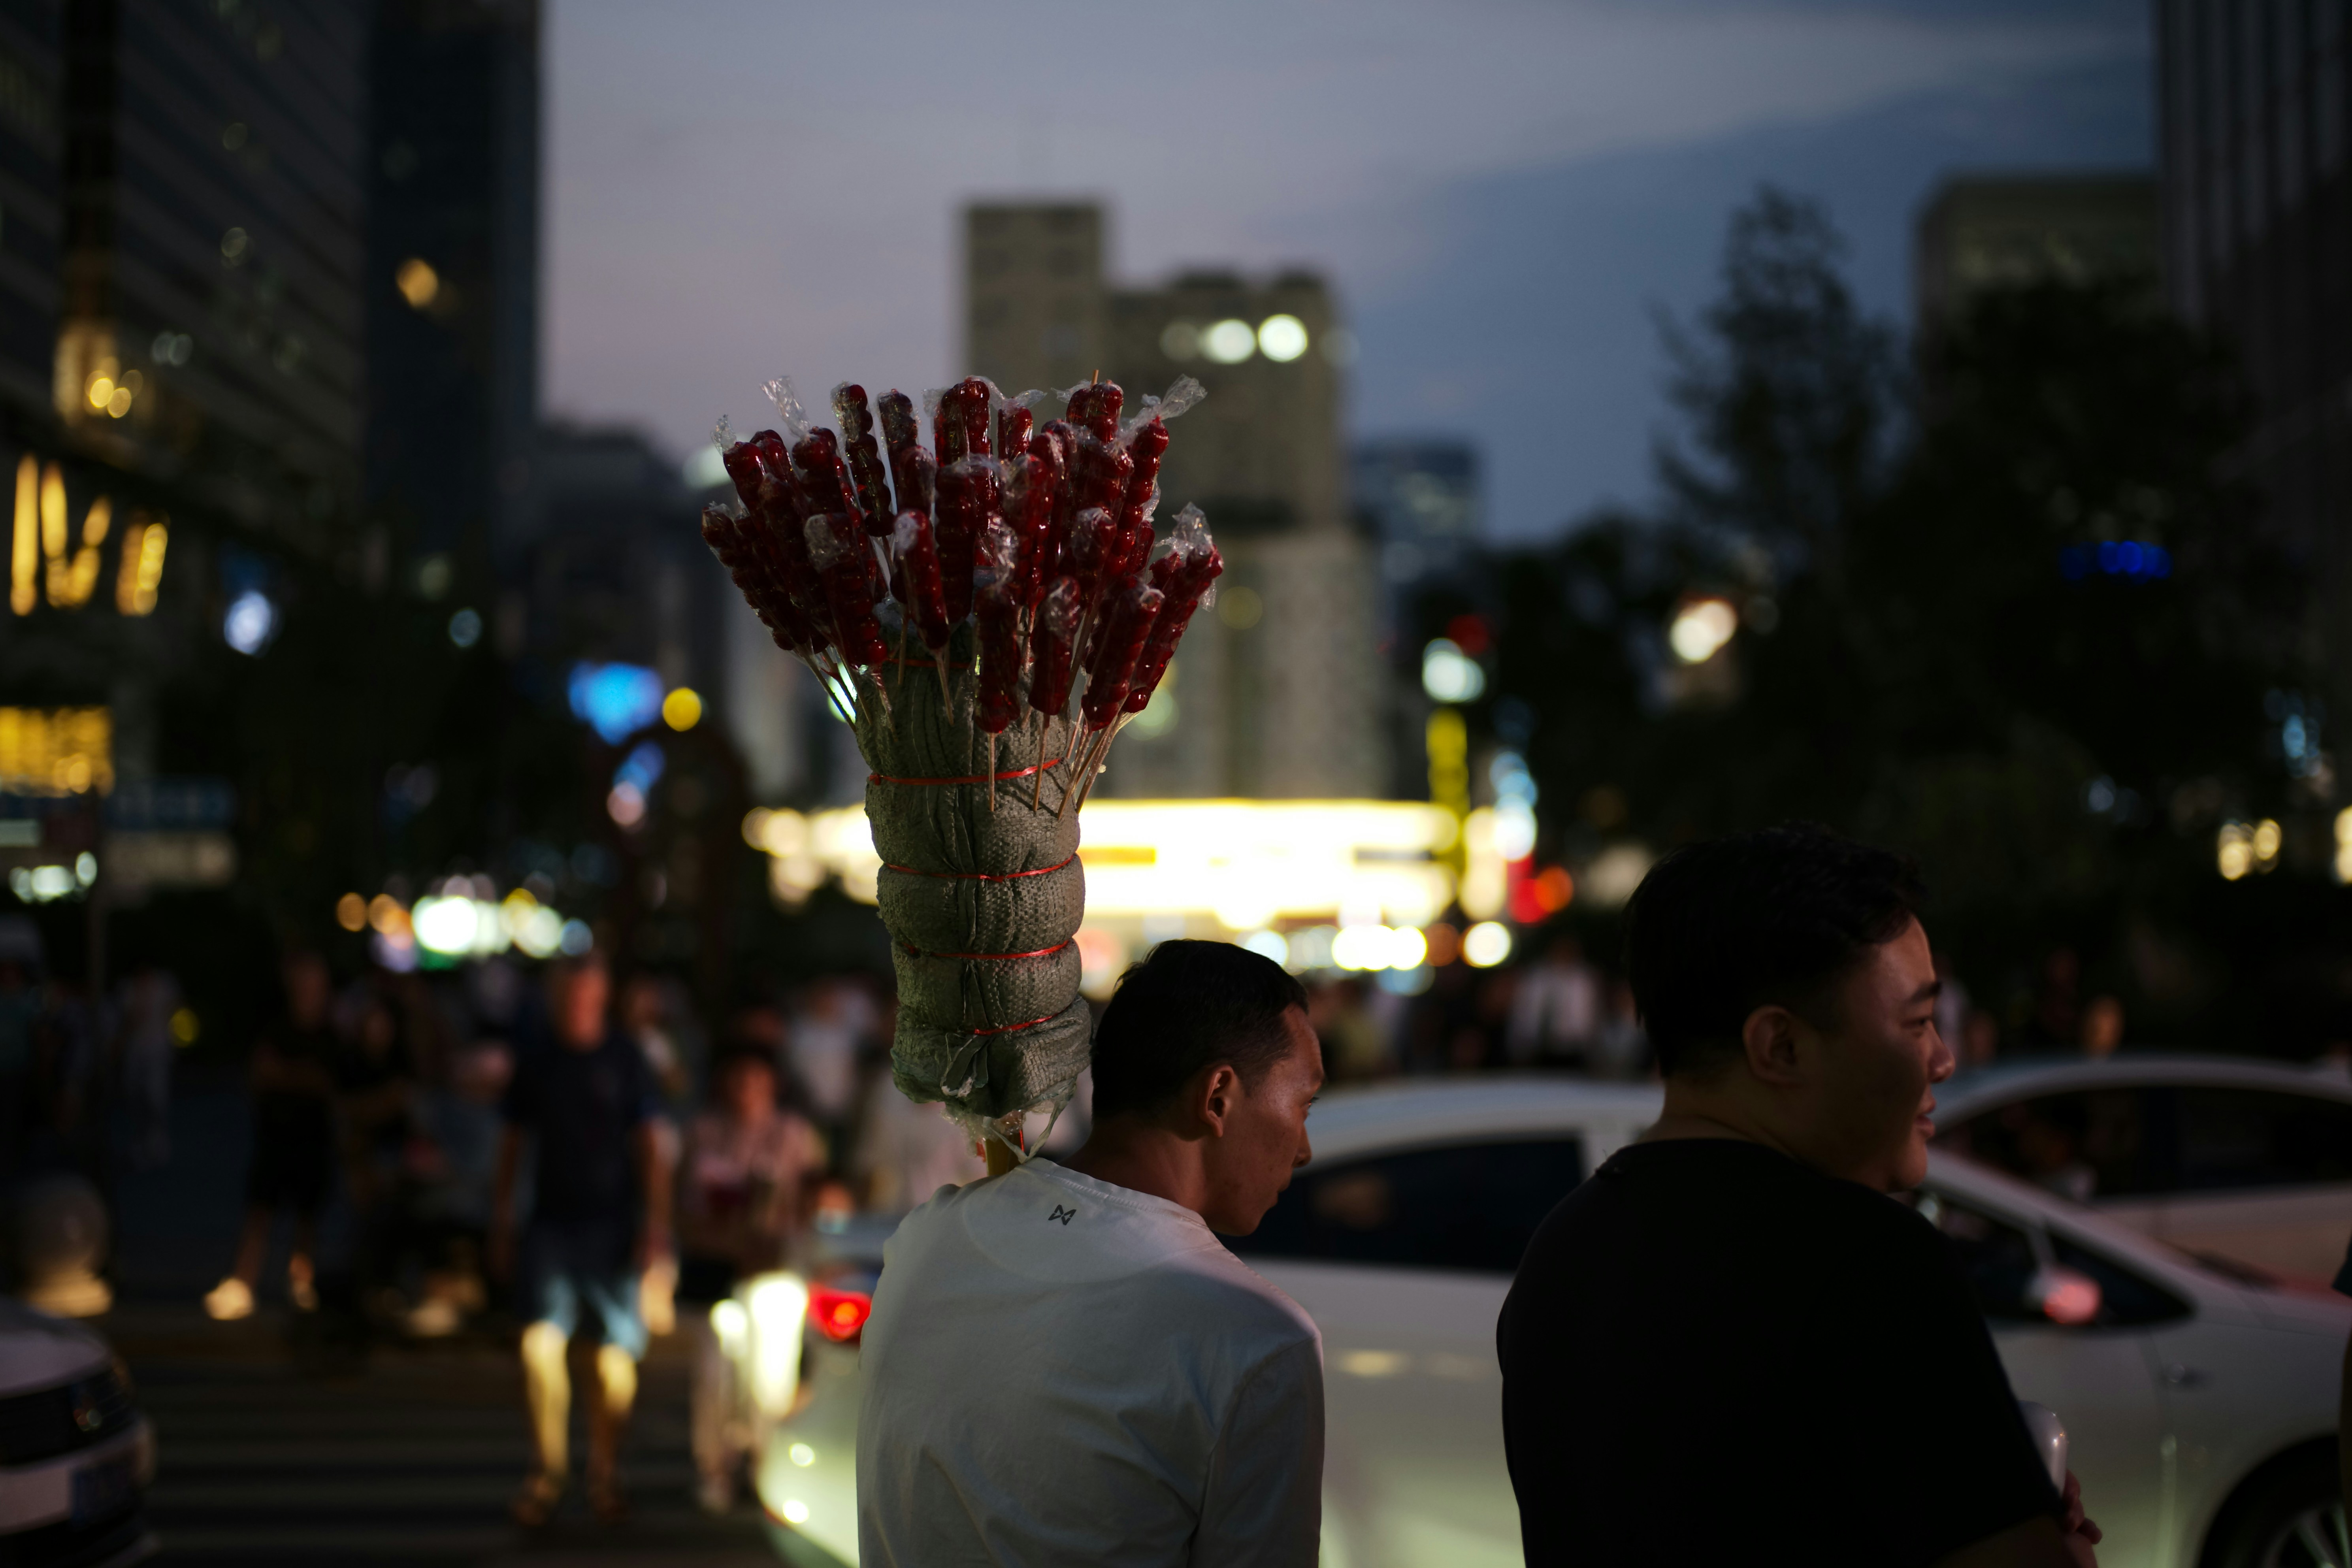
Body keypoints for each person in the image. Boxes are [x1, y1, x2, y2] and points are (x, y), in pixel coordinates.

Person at [1498, 825, 2103, 1567]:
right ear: (1778, 1046)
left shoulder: (1560, 1254)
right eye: (1916, 1023)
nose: (1943, 1060)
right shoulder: (1869, 1262)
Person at [857, 939, 1326, 1567]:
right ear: (1218, 1097)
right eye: (1304, 1105)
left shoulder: (927, 1239)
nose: (1304, 1149)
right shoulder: (1254, 1340)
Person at [491, 953, 669, 1527]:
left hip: (614, 1224)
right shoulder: (537, 1057)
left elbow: (650, 1147)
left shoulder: (625, 1058)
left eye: (588, 994)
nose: (577, 1004)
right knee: (537, 1345)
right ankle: (547, 1472)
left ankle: (605, 1471)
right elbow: (513, 1142)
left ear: (602, 996)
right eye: (568, 993)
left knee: (610, 1359)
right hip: (550, 1222)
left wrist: (657, 1226)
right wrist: (500, 1216)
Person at [675, 1041, 826, 1513]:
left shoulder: (794, 1135)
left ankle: (767, 1465)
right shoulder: (703, 1133)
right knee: (715, 1374)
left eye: (756, 1081)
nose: (747, 1091)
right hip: (716, 1270)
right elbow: (682, 1203)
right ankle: (714, 1465)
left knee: (771, 1376)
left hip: (774, 1269)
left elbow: (816, 1196)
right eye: (738, 1080)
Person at [205, 952, 341, 1322]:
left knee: (307, 1217)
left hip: (312, 1138)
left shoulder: (331, 1033)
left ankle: (301, 1282)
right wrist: (300, 1078)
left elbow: (328, 1083)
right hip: (275, 1136)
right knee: (260, 1210)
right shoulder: (277, 1028)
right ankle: (242, 1283)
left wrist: (291, 1077)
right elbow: (262, 1073)